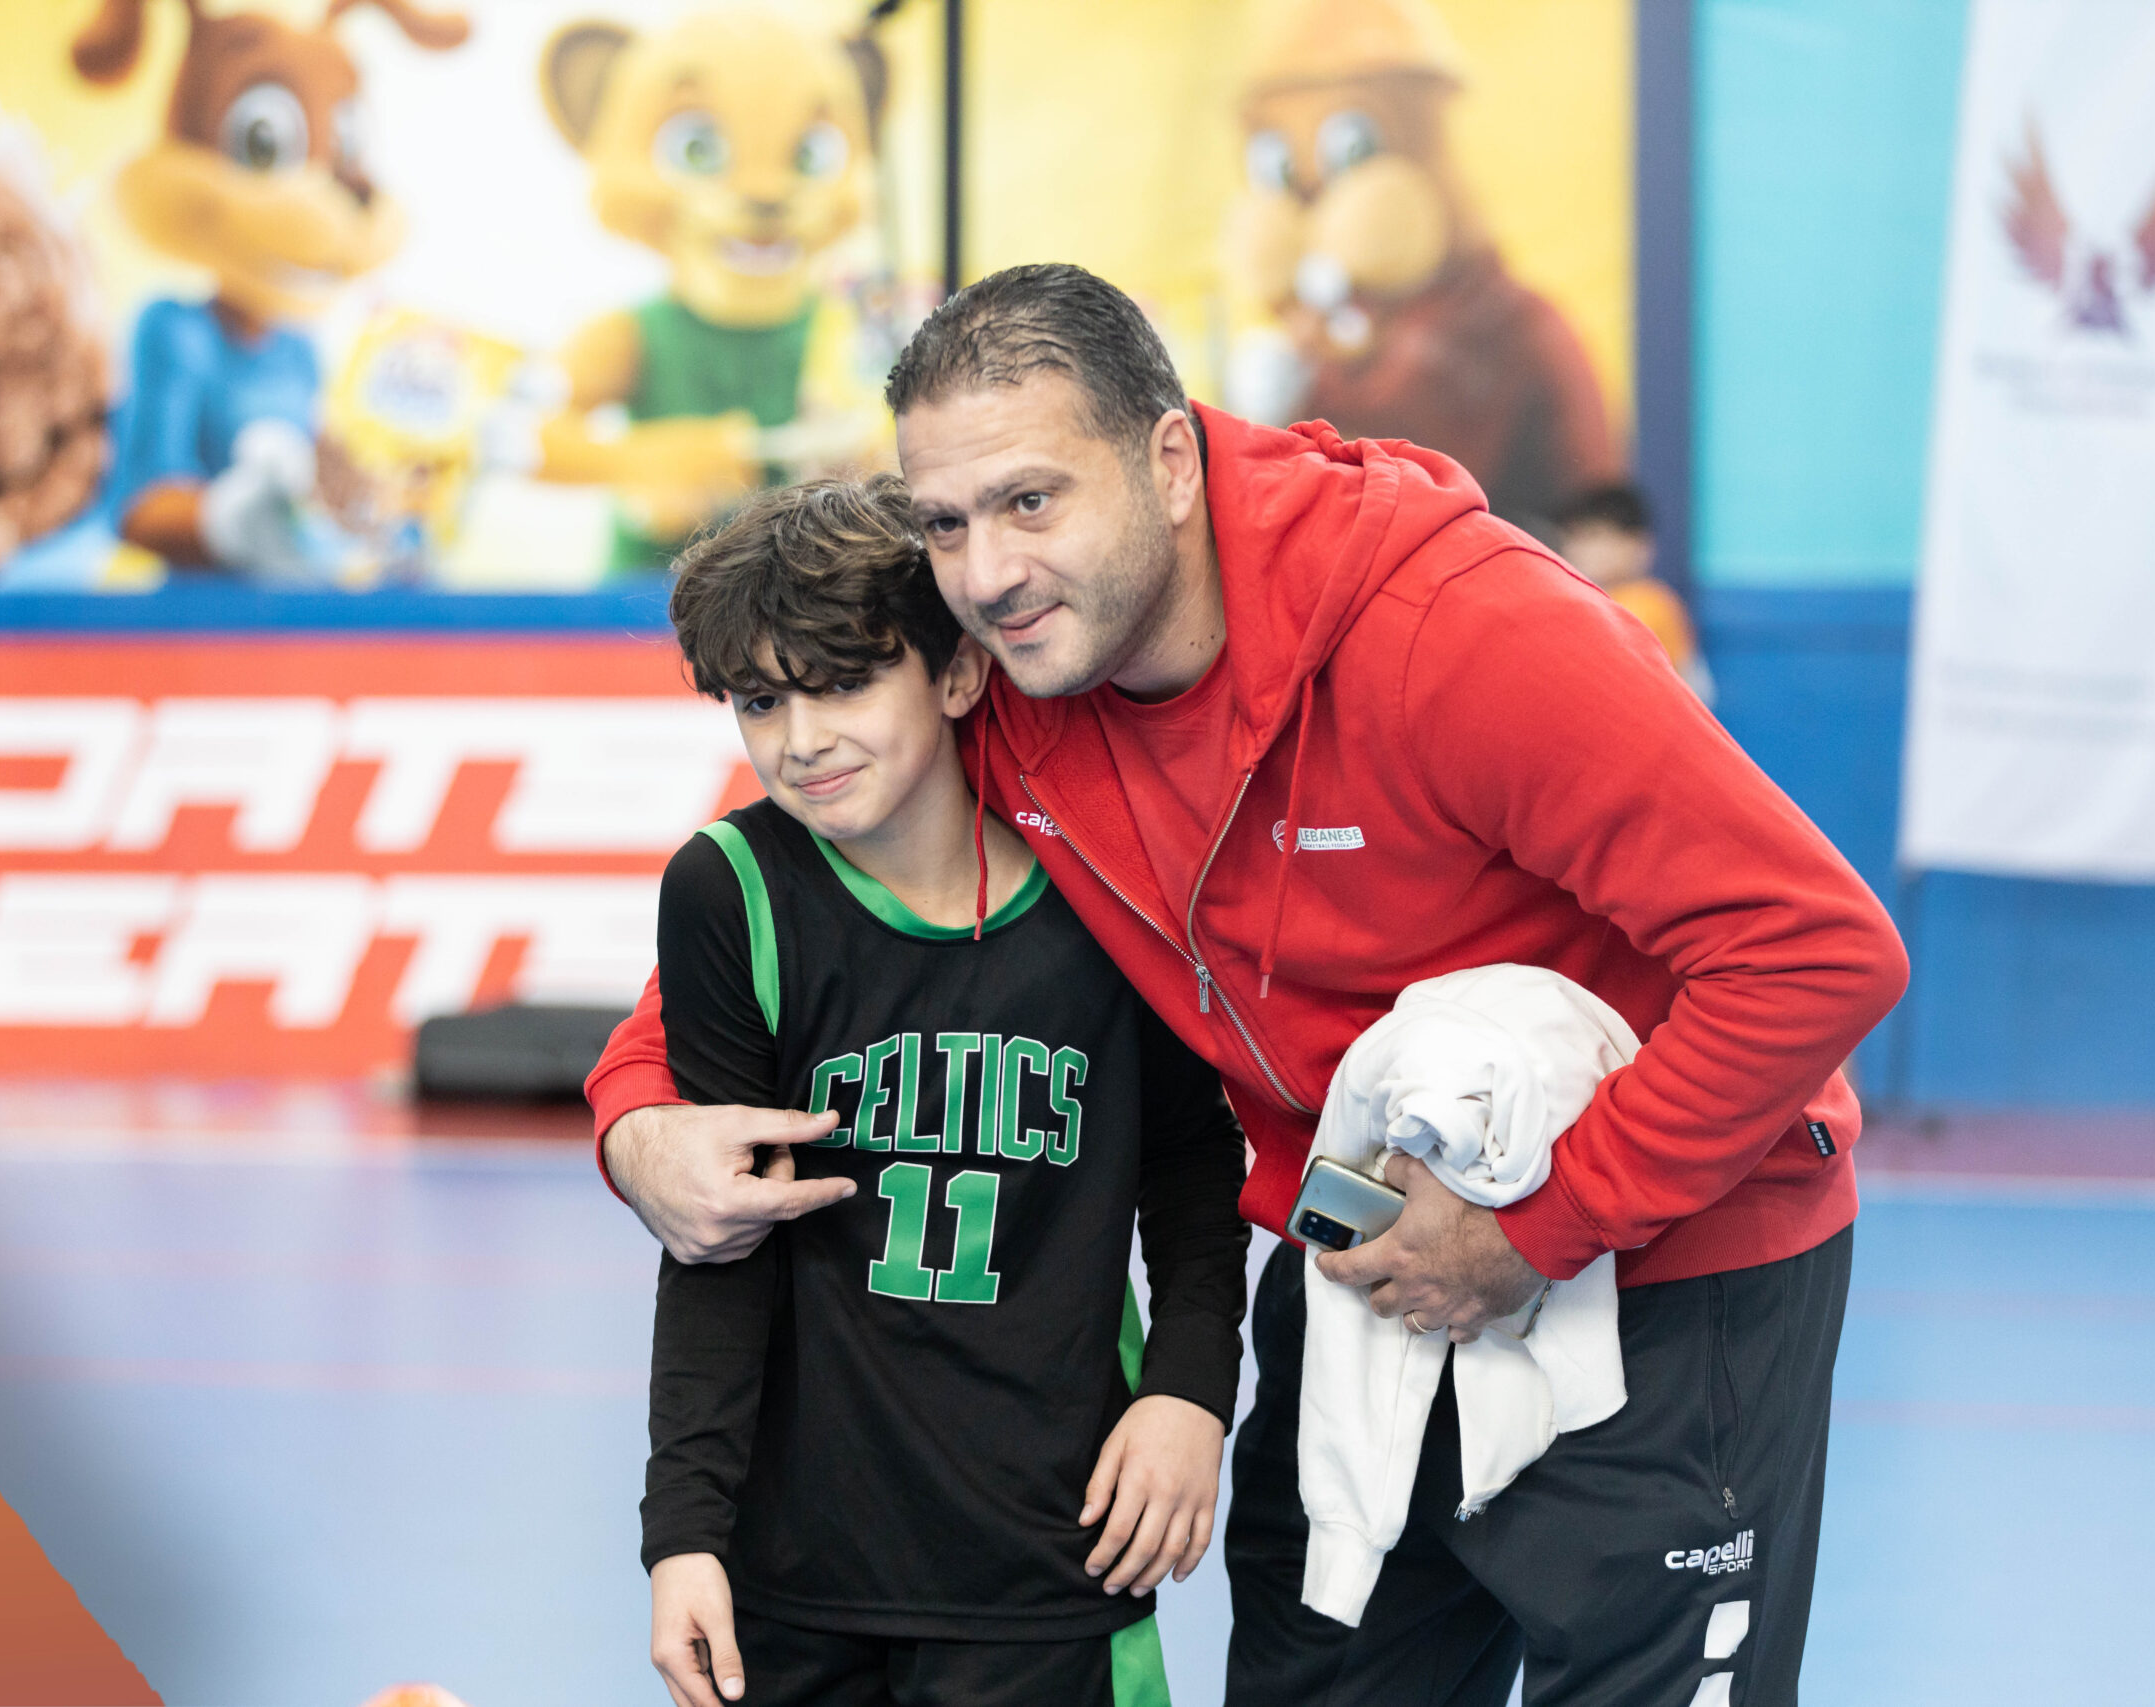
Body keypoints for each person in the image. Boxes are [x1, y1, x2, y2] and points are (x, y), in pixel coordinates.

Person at [592, 264, 1909, 1706]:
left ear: (1170, 462)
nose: (986, 572)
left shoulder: (1460, 632)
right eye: (946, 522)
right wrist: (639, 1119)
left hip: (1663, 1263)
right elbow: (801, 925)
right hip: (1368, 1272)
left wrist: (1541, 1223)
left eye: (1032, 500)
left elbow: (1818, 949)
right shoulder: (1019, 674)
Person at [636, 474, 1251, 1707]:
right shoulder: (729, 890)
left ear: (960, 674)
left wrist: (1190, 1391)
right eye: (761, 700)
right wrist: (683, 1531)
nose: (801, 740)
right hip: (791, 1566)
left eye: (843, 684)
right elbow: (715, 1238)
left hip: (1051, 1554)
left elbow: (1193, 1174)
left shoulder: (1111, 882)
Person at [1551, 481, 1715, 704]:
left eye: (1595, 535)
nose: (1581, 548)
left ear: (1639, 544)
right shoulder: (1584, 599)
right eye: (1573, 536)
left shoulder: (1648, 603)